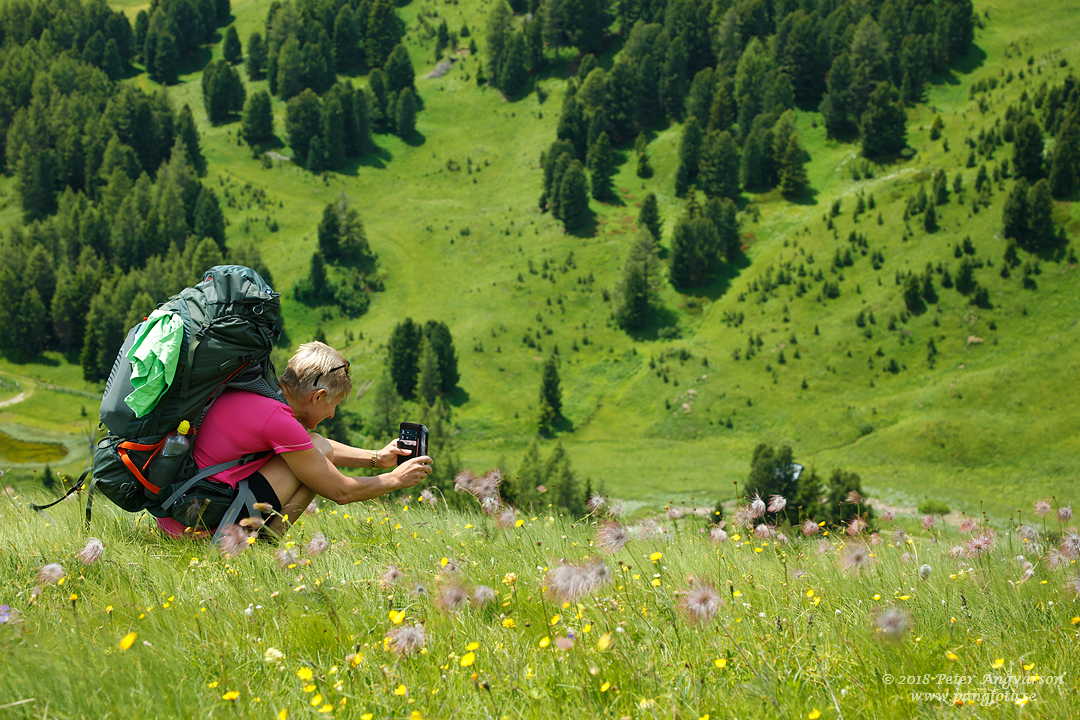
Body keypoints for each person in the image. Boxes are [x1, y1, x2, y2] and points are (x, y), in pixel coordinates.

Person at [157, 341, 432, 538]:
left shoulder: (260, 393)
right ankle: (263, 544)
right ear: (318, 396)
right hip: (199, 523)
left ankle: (256, 538)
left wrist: (377, 458)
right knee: (317, 460)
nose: (333, 415)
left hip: (179, 510)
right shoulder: (277, 420)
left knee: (315, 447)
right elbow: (341, 491)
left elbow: (305, 443)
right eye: (334, 404)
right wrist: (397, 479)